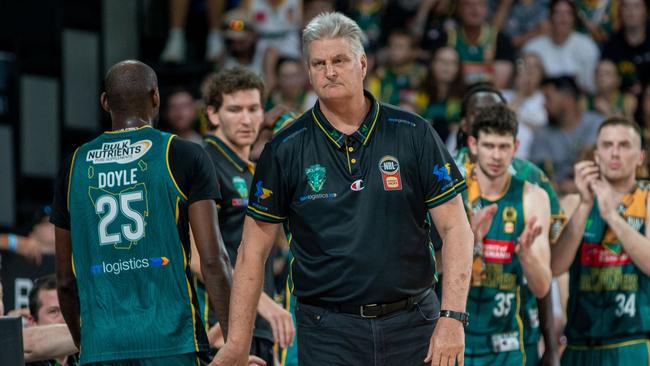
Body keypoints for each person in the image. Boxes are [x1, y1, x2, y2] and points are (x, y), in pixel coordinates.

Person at [214, 12, 474, 366]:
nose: (329, 71)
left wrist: (453, 318)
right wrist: (236, 346)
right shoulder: (284, 148)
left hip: (415, 324)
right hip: (327, 332)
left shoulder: (413, 132)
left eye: (339, 60)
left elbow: (456, 228)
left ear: (362, 63)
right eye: (318, 63)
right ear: (308, 73)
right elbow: (251, 253)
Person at [51, 60, 257, 365]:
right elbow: (214, 260)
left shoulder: (74, 165)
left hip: (102, 346)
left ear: (105, 102)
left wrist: (85, 344)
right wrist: (235, 348)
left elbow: (65, 279)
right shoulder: (184, 154)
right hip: (174, 343)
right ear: (156, 97)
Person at [453, 84, 563, 366]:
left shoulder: (532, 191)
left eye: (504, 147)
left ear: (515, 146)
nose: (497, 156)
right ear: (473, 143)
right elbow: (427, 270)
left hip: (511, 339)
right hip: (455, 333)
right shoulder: (448, 185)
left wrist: (528, 256)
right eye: (489, 146)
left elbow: (542, 285)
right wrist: (469, 243)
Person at [202, 67, 295, 364]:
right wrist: (261, 303)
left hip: (262, 325)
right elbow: (196, 258)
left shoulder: (254, 169)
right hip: (221, 324)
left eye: (254, 109)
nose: (246, 119)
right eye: (234, 109)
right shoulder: (203, 161)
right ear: (213, 114)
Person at [550, 117, 650, 365]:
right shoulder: (573, 203)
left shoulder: (647, 198)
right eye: (607, 145)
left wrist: (610, 216)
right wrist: (585, 205)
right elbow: (555, 266)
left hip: (632, 342)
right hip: (579, 344)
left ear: (640, 157)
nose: (614, 153)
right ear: (596, 155)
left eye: (624, 145)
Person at [530, 76, 603, 193]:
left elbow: (597, 162)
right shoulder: (542, 135)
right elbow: (538, 175)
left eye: (548, 98)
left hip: (595, 192)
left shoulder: (595, 124)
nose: (544, 105)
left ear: (567, 99)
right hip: (556, 198)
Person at [432, 0, 516, 89]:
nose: (475, 9)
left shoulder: (500, 40)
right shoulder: (447, 38)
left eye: (480, 4)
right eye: (468, 5)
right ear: (459, 9)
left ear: (486, 9)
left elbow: (500, 83)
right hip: (453, 96)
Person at [523, 0, 600, 93]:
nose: (563, 18)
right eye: (558, 13)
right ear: (550, 17)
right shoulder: (532, 47)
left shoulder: (588, 47)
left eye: (568, 13)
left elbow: (590, 87)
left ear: (574, 18)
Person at [415, 46, 466, 143]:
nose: (447, 66)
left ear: (458, 68)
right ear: (432, 64)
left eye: (452, 62)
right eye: (442, 61)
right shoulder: (419, 93)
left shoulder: (466, 97)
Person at [503, 53, 548, 160]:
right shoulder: (503, 96)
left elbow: (547, 131)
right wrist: (521, 94)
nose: (530, 71)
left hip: (535, 157)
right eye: (525, 66)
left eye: (535, 67)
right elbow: (501, 122)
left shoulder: (547, 99)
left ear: (542, 73)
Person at [25, 274, 78, 366]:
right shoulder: (17, 362)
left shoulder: (88, 360)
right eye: (54, 311)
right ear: (33, 322)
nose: (65, 318)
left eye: (68, 310)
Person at [602, 0, 650, 94]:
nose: (631, 12)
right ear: (620, 12)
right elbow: (604, 77)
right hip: (620, 102)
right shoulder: (611, 45)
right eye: (626, 7)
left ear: (646, 11)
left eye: (637, 6)